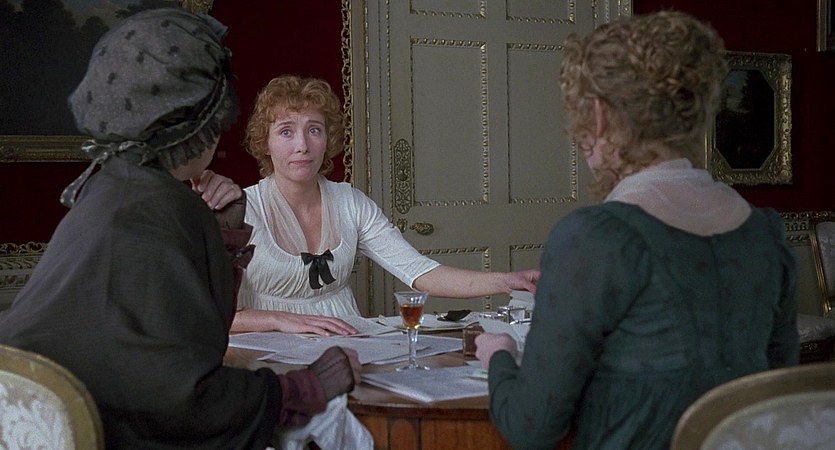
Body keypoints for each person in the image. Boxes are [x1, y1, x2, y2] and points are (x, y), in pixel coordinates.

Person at [0, 9, 365, 449]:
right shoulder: (159, 205)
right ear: (200, 123)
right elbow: (182, 399)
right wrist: (301, 388)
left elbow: (159, 347)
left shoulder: (112, 187)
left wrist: (222, 231)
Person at [474, 11, 799, 450]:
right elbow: (774, 400)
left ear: (598, 115)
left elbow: (532, 427)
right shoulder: (766, 233)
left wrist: (499, 355)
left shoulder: (595, 237)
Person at [207, 75, 539, 333]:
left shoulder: (350, 202)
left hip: (344, 340)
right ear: (264, 142)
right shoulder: (239, 208)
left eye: (314, 130)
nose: (302, 145)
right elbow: (206, 314)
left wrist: (505, 281)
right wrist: (279, 319)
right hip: (263, 349)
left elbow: (419, 271)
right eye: (286, 132)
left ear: (328, 139)